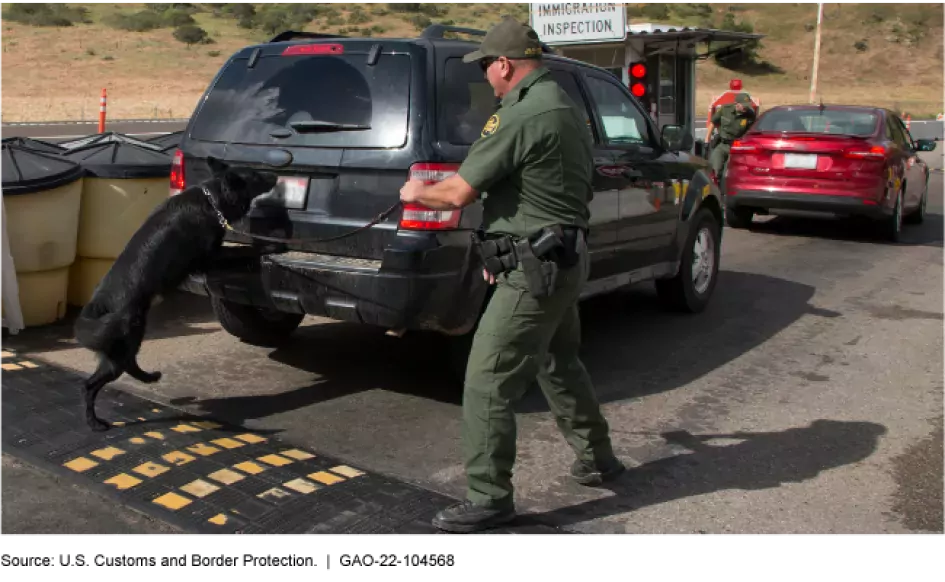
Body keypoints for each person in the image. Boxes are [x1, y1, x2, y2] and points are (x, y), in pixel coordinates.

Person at [399, 15, 623, 534]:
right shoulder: (561, 105)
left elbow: (457, 193)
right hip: (560, 257)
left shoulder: (522, 114)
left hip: (536, 266)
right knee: (560, 361)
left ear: (505, 64)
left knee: (486, 381)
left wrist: (414, 193)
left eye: (487, 68)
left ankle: (489, 497)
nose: (486, 78)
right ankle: (598, 457)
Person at [708, 92, 757, 185]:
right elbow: (713, 123)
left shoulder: (750, 115)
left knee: (728, 173)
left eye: (747, 106)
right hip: (722, 144)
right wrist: (707, 140)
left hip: (736, 146)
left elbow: (751, 132)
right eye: (743, 106)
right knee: (714, 169)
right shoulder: (725, 109)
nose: (745, 108)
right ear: (736, 104)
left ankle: (724, 192)